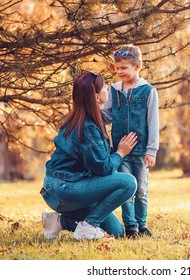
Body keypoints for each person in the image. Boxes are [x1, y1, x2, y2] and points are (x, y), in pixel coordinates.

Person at [41, 71, 138, 240]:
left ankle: (58, 221)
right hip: (64, 189)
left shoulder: (81, 120)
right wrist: (121, 152)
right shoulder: (87, 126)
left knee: (115, 231)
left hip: (63, 189)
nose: (107, 89)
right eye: (104, 87)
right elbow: (104, 168)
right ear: (96, 96)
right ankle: (88, 227)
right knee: (129, 182)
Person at [102, 44, 159, 238]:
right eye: (117, 68)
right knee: (126, 190)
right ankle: (131, 227)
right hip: (121, 152)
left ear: (138, 66)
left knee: (141, 189)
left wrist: (152, 150)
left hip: (142, 151)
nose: (119, 72)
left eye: (124, 68)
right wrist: (92, 115)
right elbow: (107, 115)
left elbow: (153, 122)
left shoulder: (148, 91)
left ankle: (142, 224)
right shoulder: (114, 90)